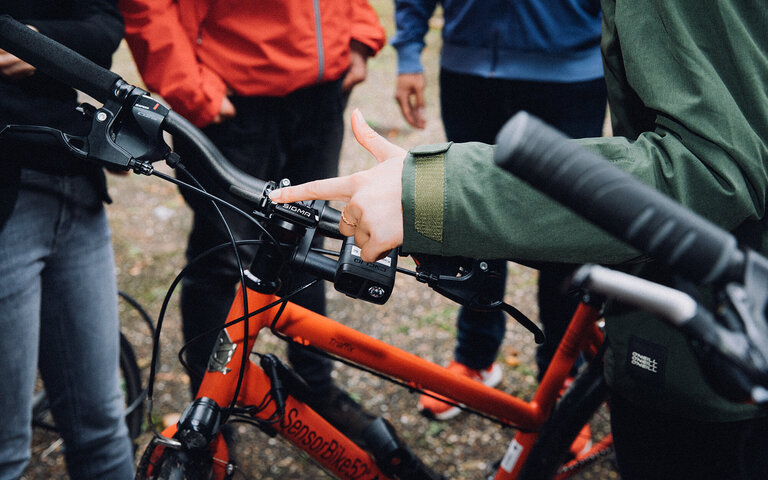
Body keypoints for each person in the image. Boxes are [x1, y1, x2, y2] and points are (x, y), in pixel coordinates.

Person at [271, 0, 768, 476]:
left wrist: (430, 192)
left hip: (717, 359)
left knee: (565, 260)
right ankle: (479, 359)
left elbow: (711, 167)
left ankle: (560, 376)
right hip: (473, 64)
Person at [118, 0, 386, 447]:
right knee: (225, 258)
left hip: (318, 95)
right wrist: (188, 86)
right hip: (235, 100)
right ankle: (208, 417)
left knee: (310, 249)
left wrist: (358, 31)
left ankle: (316, 388)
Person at [390, 0, 606, 419]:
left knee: (565, 235)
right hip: (467, 71)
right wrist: (408, 54)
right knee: (470, 222)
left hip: (571, 74)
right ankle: (474, 359)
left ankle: (560, 386)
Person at [0, 3, 135, 479]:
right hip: (10, 209)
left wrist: (38, 43)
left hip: (75, 190)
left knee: (102, 426)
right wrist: (84, 128)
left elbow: (105, 25)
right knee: (6, 452)